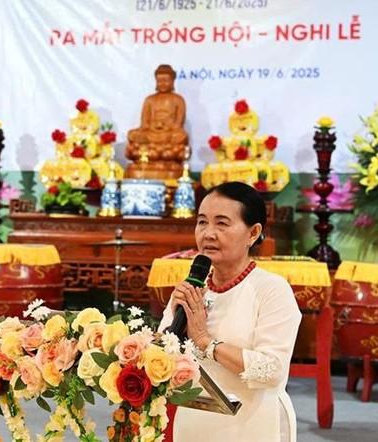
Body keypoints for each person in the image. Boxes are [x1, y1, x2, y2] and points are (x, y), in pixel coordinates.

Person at [159, 181, 302, 441]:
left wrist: (205, 341)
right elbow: (160, 358)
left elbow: (272, 371)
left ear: (253, 233)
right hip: (194, 419)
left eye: (222, 223)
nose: (208, 234)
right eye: (202, 222)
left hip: (253, 423)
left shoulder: (272, 290)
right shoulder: (191, 289)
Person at [126, 64, 188, 163]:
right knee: (132, 135)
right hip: (151, 133)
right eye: (159, 81)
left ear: (172, 81)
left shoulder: (178, 100)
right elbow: (144, 124)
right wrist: (153, 126)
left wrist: (167, 126)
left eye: (166, 81)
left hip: (169, 134)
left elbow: (178, 125)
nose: (162, 84)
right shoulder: (149, 100)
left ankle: (151, 153)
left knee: (181, 136)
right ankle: (156, 152)